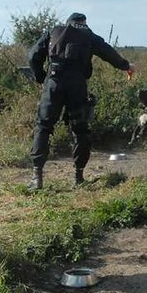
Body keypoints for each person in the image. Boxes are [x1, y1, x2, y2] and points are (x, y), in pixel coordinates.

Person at [27, 12, 136, 189]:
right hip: (77, 86)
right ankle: (78, 177)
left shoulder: (53, 31)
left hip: (53, 84)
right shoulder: (90, 36)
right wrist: (126, 66)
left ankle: (36, 178)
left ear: (68, 22)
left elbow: (33, 56)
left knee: (43, 127)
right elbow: (108, 53)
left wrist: (41, 78)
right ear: (84, 23)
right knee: (80, 130)